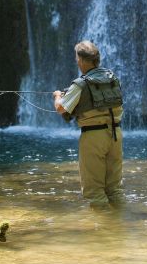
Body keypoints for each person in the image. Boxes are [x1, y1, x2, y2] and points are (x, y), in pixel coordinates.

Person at [53, 40, 124, 208]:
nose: (77, 62)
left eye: (77, 58)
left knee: (94, 192)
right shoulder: (111, 77)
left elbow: (61, 108)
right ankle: (121, 225)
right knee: (115, 189)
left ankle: (103, 231)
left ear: (83, 60)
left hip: (93, 137)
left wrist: (57, 95)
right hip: (116, 134)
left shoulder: (80, 84)